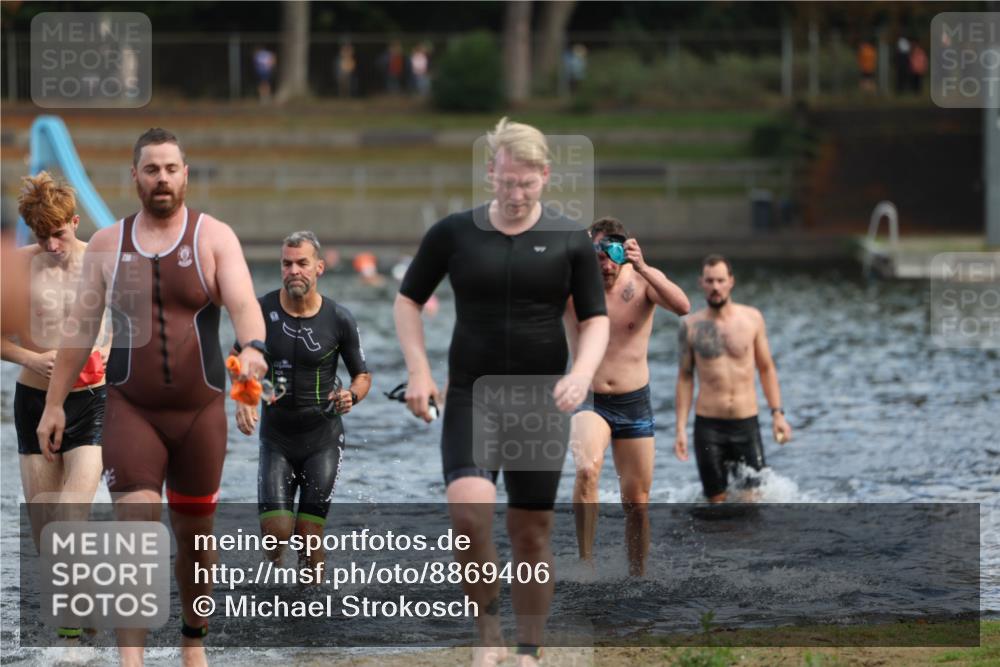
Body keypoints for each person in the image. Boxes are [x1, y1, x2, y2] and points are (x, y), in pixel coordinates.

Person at [36, 128, 267, 667]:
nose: (162, 178)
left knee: (194, 535)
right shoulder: (108, 244)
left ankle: (192, 644)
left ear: (185, 174)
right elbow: (79, 328)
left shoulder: (215, 237)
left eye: (170, 169)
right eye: (151, 169)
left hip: (201, 411)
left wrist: (253, 352)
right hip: (131, 410)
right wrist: (53, 403)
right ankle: (131, 660)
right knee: (136, 527)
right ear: (134, 177)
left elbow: (244, 306)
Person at [395, 117, 609, 666]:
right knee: (469, 513)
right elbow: (408, 301)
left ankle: (528, 652)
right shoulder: (453, 234)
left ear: (545, 175)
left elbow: (595, 319)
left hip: (542, 399)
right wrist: (419, 371)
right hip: (472, 393)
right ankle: (487, 633)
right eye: (506, 181)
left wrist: (581, 373)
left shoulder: (569, 240)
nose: (516, 194)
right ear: (490, 171)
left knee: (531, 532)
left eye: (527, 183)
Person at [2, 172, 109, 645]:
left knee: (70, 513)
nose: (51, 245)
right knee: (47, 532)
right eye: (42, 236)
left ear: (75, 221)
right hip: (33, 399)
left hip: (94, 399)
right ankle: (82, 612)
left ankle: (71, 633)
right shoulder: (18, 268)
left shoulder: (104, 265)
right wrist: (31, 357)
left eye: (59, 233)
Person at [235, 231, 371, 574]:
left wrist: (351, 396)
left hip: (322, 438)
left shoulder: (339, 319)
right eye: (287, 263)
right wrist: (246, 397)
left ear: (319, 268)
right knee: (275, 536)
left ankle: (312, 603)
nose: (293, 270)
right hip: (277, 438)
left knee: (309, 535)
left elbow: (363, 376)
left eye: (302, 263)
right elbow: (237, 358)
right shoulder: (260, 311)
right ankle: (274, 584)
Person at [566, 217, 689, 575]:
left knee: (637, 504)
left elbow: (682, 307)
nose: (605, 264)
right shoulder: (573, 287)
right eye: (597, 255)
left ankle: (637, 576)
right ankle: (585, 568)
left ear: (625, 251)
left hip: (634, 403)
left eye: (612, 254)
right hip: (589, 399)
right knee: (587, 468)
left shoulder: (642, 281)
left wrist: (644, 266)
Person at [674, 254, 793, 503]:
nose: (715, 287)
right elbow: (685, 378)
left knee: (752, 502)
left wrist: (777, 414)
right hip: (708, 427)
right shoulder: (690, 326)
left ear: (731, 282)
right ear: (701, 283)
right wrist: (680, 429)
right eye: (709, 281)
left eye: (720, 280)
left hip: (745, 423)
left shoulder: (752, 319)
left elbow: (766, 368)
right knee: (716, 503)